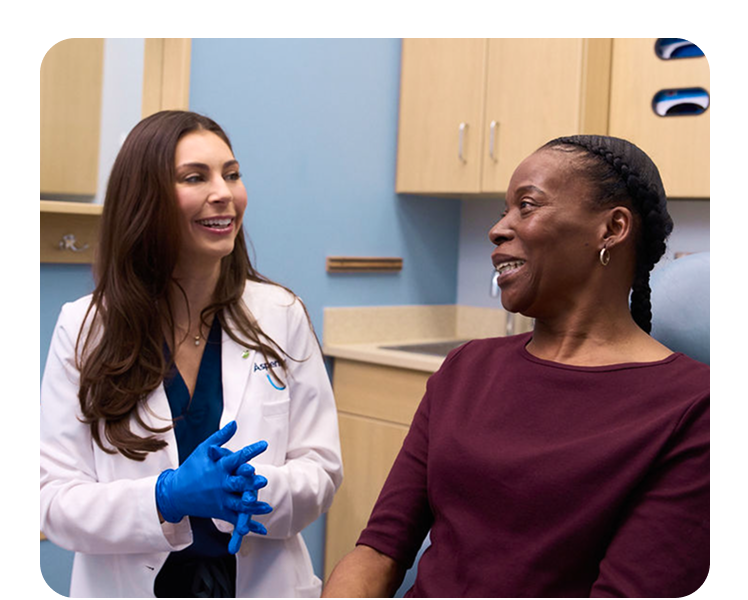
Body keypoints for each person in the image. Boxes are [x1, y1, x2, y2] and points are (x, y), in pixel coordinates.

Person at [322, 135, 709, 598]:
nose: (499, 229)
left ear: (613, 228)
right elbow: (379, 550)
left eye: (526, 206)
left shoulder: (695, 409)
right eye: (503, 211)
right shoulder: (466, 369)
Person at [40, 110, 343, 598]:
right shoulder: (85, 328)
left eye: (232, 174)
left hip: (260, 582)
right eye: (195, 177)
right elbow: (52, 501)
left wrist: (252, 488)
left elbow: (322, 468)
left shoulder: (281, 313)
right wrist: (165, 497)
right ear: (146, 199)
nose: (223, 192)